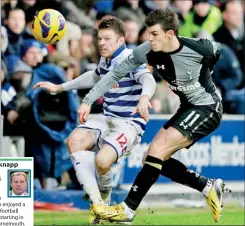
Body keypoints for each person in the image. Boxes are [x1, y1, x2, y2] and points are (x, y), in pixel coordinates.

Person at [78, 9, 225, 224]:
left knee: (157, 151)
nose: (149, 38)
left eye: (154, 34)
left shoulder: (198, 47)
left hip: (207, 107)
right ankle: (207, 186)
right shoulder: (146, 51)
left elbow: (217, 50)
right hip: (187, 107)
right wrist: (88, 100)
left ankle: (128, 209)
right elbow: (114, 74)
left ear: (171, 34)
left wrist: (207, 70)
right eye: (148, 33)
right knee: (152, 159)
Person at [34, 15, 156, 224]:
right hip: (107, 119)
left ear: (121, 40)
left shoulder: (130, 58)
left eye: (107, 38)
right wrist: (60, 87)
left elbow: (148, 79)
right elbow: (94, 77)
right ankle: (98, 205)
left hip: (129, 124)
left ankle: (104, 202)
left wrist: (145, 96)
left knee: (102, 161)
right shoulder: (105, 60)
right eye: (99, 38)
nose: (102, 43)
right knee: (74, 140)